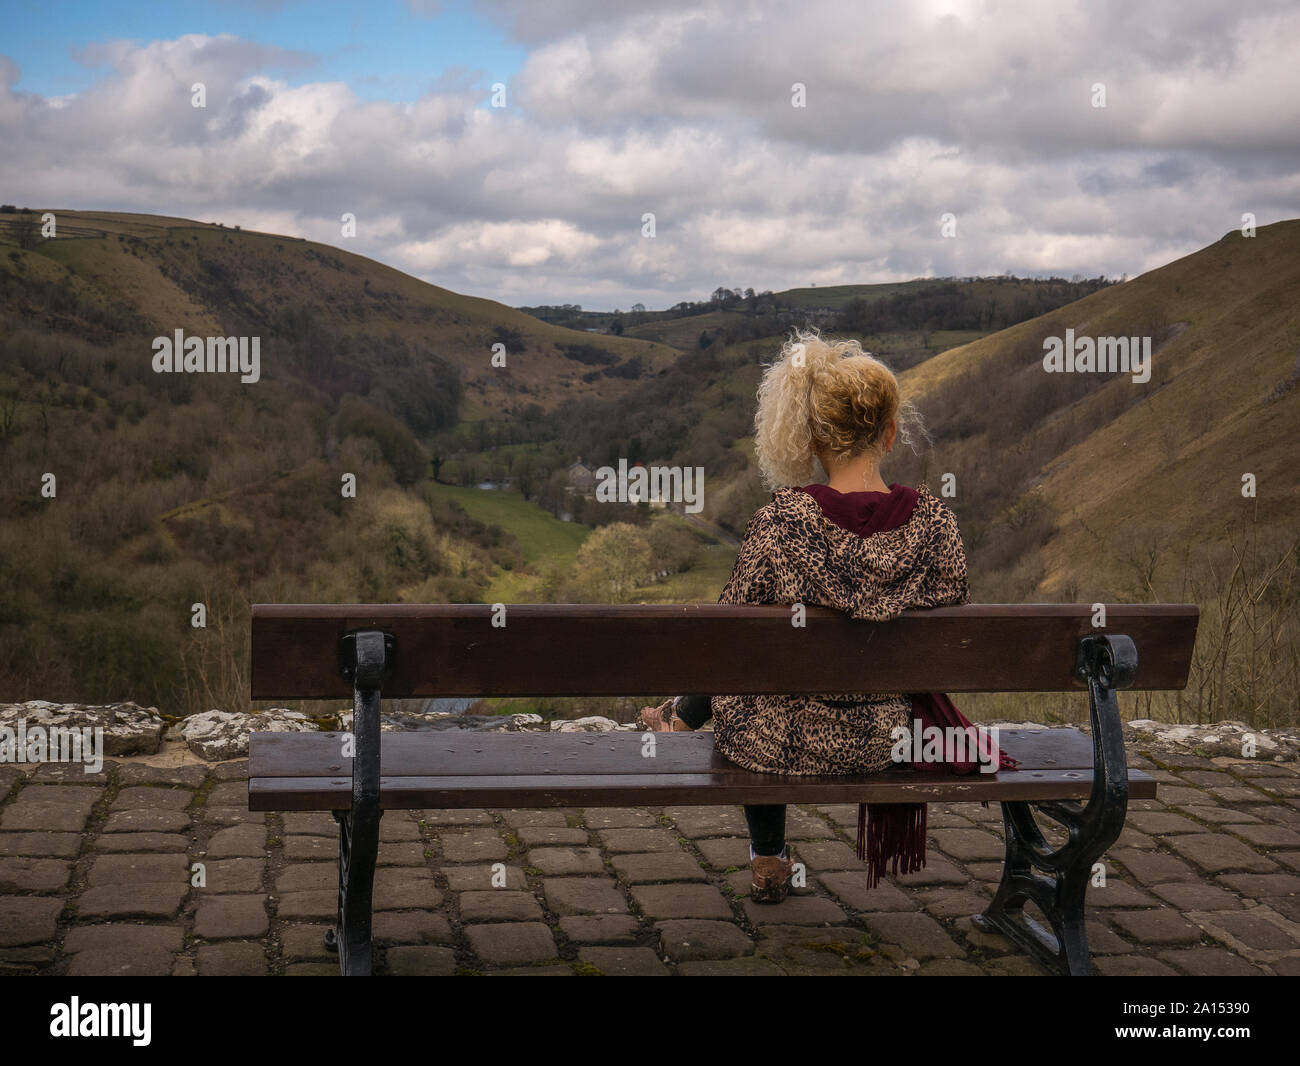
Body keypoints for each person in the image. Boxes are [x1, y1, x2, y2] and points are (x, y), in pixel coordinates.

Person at [640, 327, 1002, 903]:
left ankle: (765, 854)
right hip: (890, 740)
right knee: (764, 671)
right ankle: (686, 726)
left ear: (811, 439)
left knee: (753, 675)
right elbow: (948, 618)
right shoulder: (935, 523)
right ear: (889, 434)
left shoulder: (783, 522)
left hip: (784, 742)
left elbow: (726, 639)